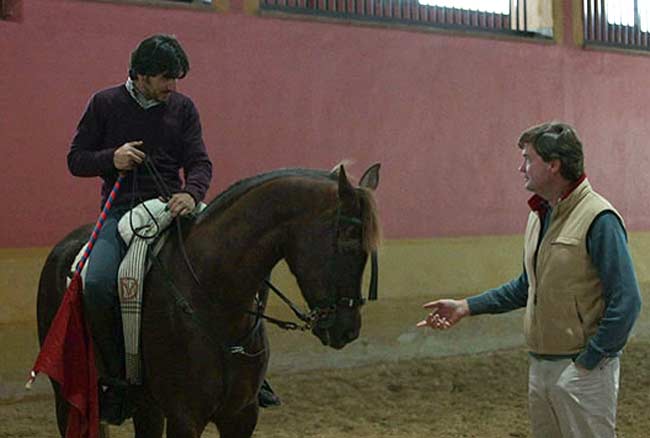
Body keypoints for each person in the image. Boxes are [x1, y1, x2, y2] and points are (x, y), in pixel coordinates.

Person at [417, 122, 641, 438]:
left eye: (527, 159)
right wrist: (466, 307)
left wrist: (588, 362)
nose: (520, 167)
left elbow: (627, 301)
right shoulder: (540, 215)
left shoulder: (599, 218)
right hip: (541, 364)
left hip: (582, 369)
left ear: (553, 165)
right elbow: (527, 286)